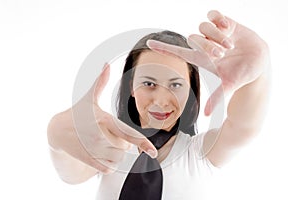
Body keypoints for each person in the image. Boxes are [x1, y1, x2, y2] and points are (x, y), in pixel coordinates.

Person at [47, 10, 270, 199]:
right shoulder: (110, 145)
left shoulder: (200, 153)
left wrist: (259, 65)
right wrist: (56, 133)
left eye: (175, 85)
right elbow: (70, 174)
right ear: (131, 87)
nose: (161, 101)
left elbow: (245, 127)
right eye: (149, 83)